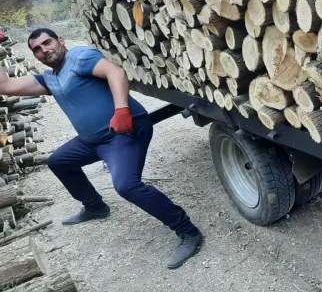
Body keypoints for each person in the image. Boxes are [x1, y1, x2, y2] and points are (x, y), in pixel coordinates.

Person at [0, 28, 202, 269]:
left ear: (61, 41)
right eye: (38, 49)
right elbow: (6, 85)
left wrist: (122, 111)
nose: (45, 50)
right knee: (59, 162)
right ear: (35, 55)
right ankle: (95, 207)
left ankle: (188, 231)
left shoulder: (79, 57)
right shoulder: (50, 79)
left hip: (123, 132)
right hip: (92, 141)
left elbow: (115, 72)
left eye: (48, 42)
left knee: (127, 185)